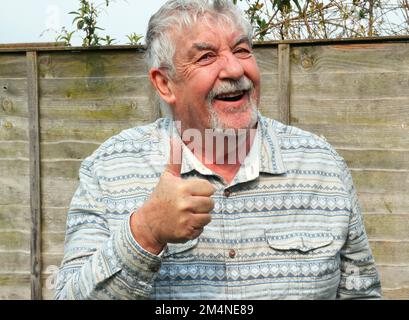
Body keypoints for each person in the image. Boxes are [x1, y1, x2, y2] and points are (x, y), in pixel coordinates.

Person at [54, 0, 381, 299]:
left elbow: (362, 293)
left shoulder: (322, 166)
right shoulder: (109, 171)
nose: (236, 70)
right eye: (206, 56)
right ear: (165, 84)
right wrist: (145, 233)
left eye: (241, 50)